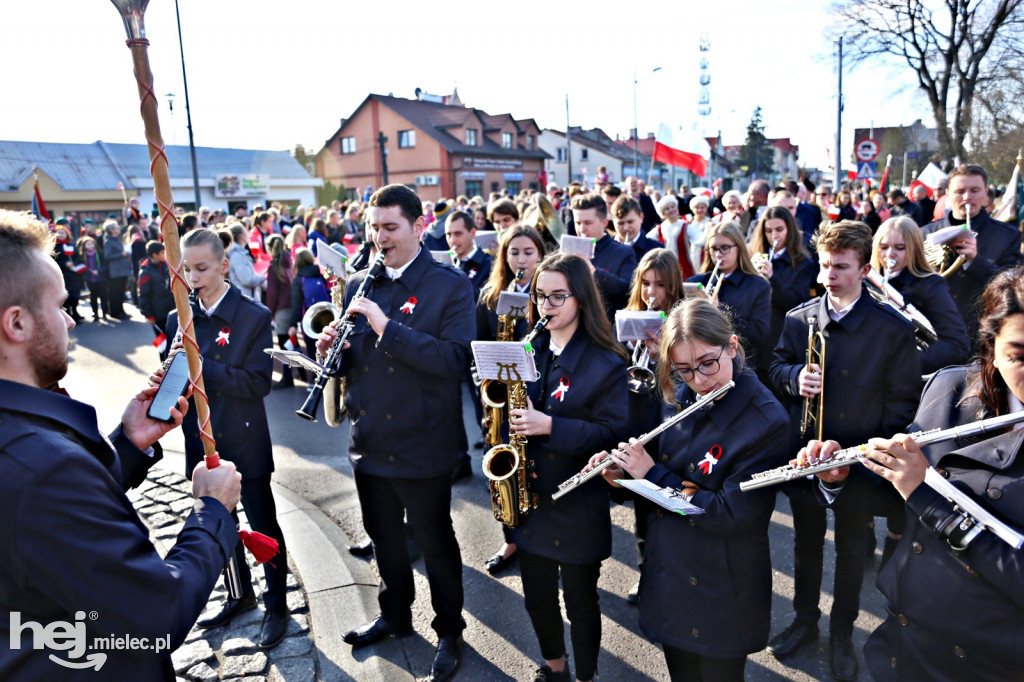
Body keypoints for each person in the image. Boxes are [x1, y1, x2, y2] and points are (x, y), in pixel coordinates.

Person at [0, 209, 241, 678]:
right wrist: (211, 511)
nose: (71, 322)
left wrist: (127, 445)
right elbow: (155, 614)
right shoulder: (42, 468)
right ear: (18, 323)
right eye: (60, 306)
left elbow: (48, 529)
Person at [316, 185, 474, 682]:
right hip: (370, 443)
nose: (379, 238)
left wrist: (388, 328)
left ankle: (450, 629)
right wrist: (330, 352)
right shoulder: (362, 280)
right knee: (384, 540)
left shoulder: (450, 285)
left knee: (435, 542)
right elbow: (356, 361)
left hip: (424, 442)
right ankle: (396, 614)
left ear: (417, 227)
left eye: (389, 228)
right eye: (373, 228)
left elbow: (454, 360)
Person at [597, 298, 789, 681]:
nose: (700, 380)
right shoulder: (678, 395)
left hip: (722, 584)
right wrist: (623, 476)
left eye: (708, 363)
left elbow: (726, 514)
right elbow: (663, 478)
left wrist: (651, 476)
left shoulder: (767, 422)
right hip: (671, 568)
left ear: (732, 346)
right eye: (684, 370)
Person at [767, 220, 921, 681]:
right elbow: (773, 366)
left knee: (854, 548)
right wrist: (795, 377)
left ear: (864, 268)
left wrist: (869, 458)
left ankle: (841, 634)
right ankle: (804, 620)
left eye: (840, 266)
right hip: (808, 455)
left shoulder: (891, 328)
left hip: (859, 459)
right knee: (806, 542)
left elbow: (903, 403)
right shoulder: (801, 318)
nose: (829, 275)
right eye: (825, 265)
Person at [855, 266, 1024, 680]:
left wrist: (930, 499)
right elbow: (898, 495)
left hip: (987, 661)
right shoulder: (949, 389)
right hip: (905, 642)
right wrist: (842, 477)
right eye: (1018, 355)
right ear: (991, 347)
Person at [504, 252, 628, 682]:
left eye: (559, 296)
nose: (547, 305)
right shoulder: (527, 349)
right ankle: (554, 667)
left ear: (581, 299)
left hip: (577, 499)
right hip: (531, 496)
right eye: (540, 296)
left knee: (579, 601)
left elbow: (611, 433)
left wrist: (551, 426)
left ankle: (585, 677)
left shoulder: (606, 361)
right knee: (537, 597)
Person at [164, 228, 290, 649]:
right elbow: (175, 380)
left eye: (202, 268)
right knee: (219, 525)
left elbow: (258, 383)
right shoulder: (177, 316)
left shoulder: (253, 316)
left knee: (262, 523)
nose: (193, 276)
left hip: (244, 438)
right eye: (187, 268)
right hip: (200, 441)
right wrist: (165, 383)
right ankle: (239, 593)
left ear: (223, 265)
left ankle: (277, 605)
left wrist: (199, 366)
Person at [476, 225, 547, 575]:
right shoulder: (491, 295)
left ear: (541, 255)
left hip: (536, 394)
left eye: (528, 252)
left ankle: (540, 534)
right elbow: (476, 343)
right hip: (500, 397)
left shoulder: (549, 295)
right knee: (503, 462)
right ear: (504, 256)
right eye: (514, 252)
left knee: (535, 465)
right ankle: (511, 536)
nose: (521, 259)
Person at [920, 164, 1022, 340]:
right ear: (947, 195)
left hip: (980, 334)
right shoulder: (924, 233)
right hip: (931, 332)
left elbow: (1012, 288)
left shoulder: (1007, 235)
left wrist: (976, 260)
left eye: (975, 190)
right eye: (960, 191)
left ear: (985, 193)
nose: (967, 197)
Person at [871, 216, 970, 375]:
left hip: (906, 383)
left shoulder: (930, 285)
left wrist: (904, 363)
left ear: (913, 249)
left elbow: (957, 344)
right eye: (883, 247)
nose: (890, 254)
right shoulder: (865, 283)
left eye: (900, 248)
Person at [687, 222, 771, 371]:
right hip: (699, 364)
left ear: (738, 248)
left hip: (740, 367)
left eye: (725, 248)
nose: (718, 254)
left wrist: (721, 312)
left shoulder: (758, 285)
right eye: (713, 249)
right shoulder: (696, 283)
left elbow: (760, 336)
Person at [748, 206, 818, 359]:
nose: (774, 236)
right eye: (768, 231)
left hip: (781, 337)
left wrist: (772, 278)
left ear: (789, 229)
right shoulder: (755, 256)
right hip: (756, 339)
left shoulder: (802, 262)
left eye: (779, 229)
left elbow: (798, 303)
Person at [571, 193, 637, 325]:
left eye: (588, 223)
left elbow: (627, 291)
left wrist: (593, 271)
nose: (581, 229)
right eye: (577, 223)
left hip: (607, 328)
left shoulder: (624, 253)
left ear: (604, 222)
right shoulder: (569, 251)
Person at [264, 234, 296, 389]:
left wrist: (270, 312)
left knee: (284, 346)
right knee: (292, 341)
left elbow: (272, 293)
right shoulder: (289, 261)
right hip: (293, 306)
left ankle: (287, 377)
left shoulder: (273, 268)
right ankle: (299, 373)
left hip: (282, 310)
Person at [137, 241, 176, 348]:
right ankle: (164, 364)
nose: (165, 255)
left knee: (175, 342)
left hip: (171, 311)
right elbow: (143, 296)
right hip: (159, 315)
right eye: (163, 253)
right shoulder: (146, 272)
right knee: (163, 344)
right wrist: (149, 315)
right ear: (154, 255)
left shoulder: (166, 266)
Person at [647, 195, 695, 277]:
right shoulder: (659, 229)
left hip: (684, 269)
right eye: (667, 208)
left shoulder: (686, 226)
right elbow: (646, 240)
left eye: (673, 206)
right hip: (665, 269)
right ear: (662, 213)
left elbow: (700, 239)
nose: (671, 210)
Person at [611, 195, 661, 263]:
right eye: (621, 223)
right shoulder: (604, 249)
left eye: (630, 222)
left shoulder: (657, 250)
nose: (626, 228)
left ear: (641, 218)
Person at [224, 222, 266, 301]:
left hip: (247, 298)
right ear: (241, 236)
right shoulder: (237, 255)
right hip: (245, 299)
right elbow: (247, 280)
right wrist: (262, 277)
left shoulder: (240, 253)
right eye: (246, 232)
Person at [103, 219, 133, 320]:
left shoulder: (117, 239)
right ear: (111, 230)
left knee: (121, 292)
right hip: (116, 271)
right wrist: (121, 254)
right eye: (116, 227)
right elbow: (107, 256)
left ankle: (120, 311)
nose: (118, 228)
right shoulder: (108, 241)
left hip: (122, 270)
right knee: (116, 293)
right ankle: (115, 312)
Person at [78, 234, 108, 321]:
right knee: (93, 297)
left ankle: (105, 313)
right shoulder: (83, 256)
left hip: (101, 278)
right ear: (84, 246)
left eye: (92, 243)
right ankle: (95, 314)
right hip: (90, 279)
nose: (90, 246)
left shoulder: (100, 254)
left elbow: (105, 265)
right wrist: (89, 272)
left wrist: (98, 271)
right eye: (88, 244)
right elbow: (82, 267)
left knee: (103, 296)